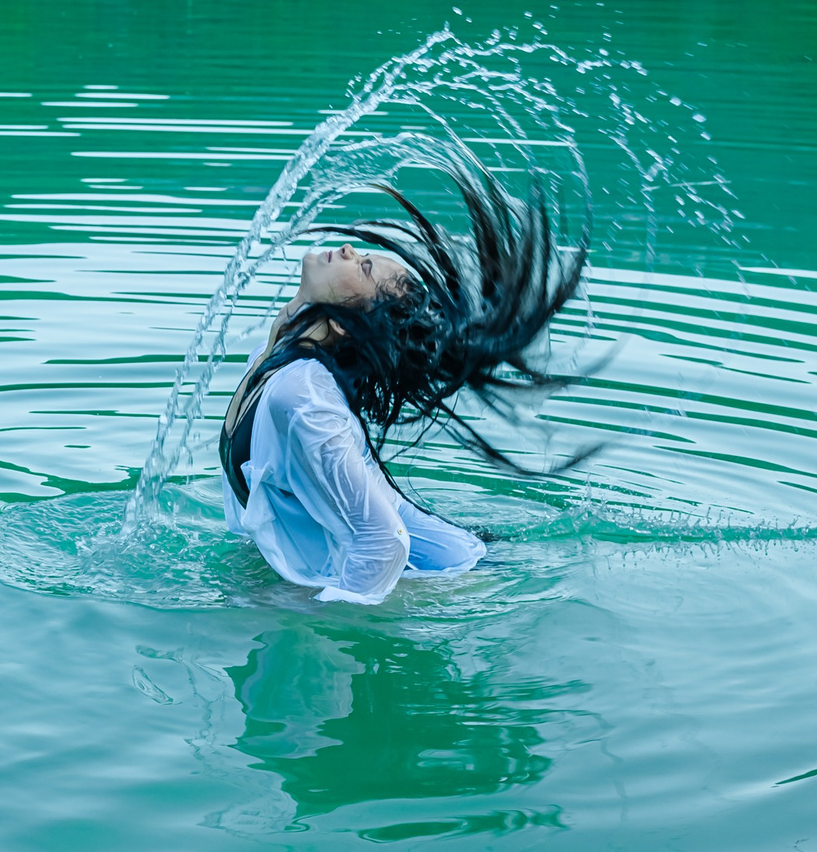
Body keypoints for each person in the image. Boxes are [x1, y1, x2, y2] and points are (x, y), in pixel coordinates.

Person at [218, 152, 586, 604]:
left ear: (348, 324)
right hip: (428, 558)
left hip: (453, 576)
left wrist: (315, 622)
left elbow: (384, 542)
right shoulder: (278, 354)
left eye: (365, 268)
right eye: (367, 259)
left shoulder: (304, 397)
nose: (351, 250)